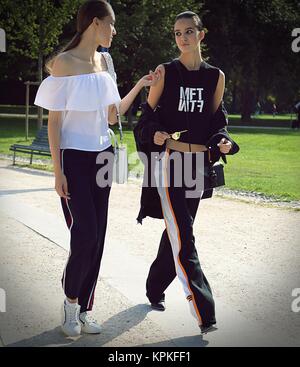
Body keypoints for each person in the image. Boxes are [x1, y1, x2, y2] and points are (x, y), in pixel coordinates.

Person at [34, 0, 159, 337]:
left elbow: (112, 115)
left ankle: (85, 309)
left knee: (98, 236)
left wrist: (139, 86)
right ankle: (70, 304)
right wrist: (57, 172)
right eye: (111, 24)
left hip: (102, 155)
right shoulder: (63, 64)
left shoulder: (105, 62)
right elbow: (55, 122)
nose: (115, 31)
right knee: (85, 233)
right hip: (73, 158)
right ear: (94, 23)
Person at [134, 11, 239, 334]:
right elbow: (144, 119)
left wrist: (222, 140)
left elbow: (217, 121)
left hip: (199, 168)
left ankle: (153, 287)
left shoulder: (215, 77)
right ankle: (205, 312)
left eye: (189, 31)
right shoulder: (165, 72)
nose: (183, 38)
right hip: (170, 164)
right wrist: (154, 133)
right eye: (178, 33)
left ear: (201, 35)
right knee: (184, 236)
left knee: (178, 232)